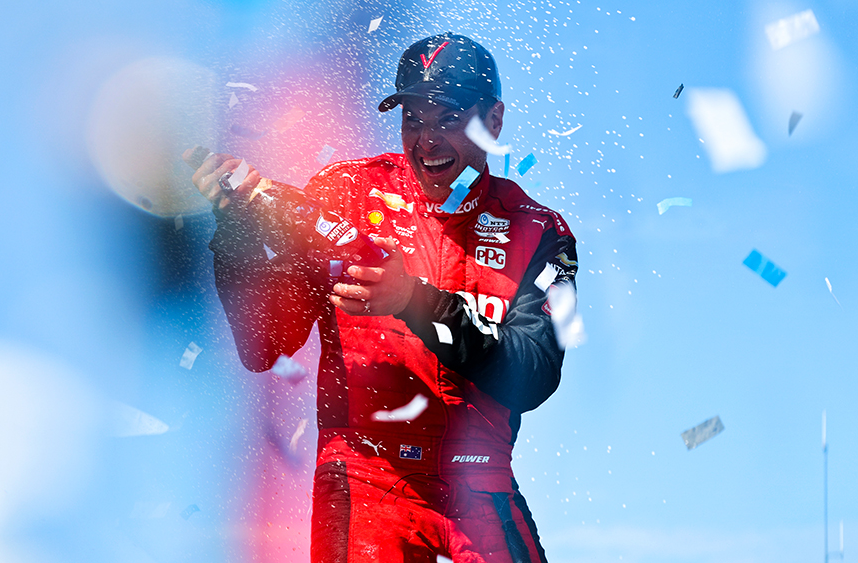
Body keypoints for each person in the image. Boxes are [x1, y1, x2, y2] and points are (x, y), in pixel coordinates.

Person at [187, 32, 578, 563]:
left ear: (494, 121)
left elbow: (533, 373)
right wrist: (233, 233)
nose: (427, 141)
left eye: (446, 119)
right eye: (412, 120)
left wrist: (411, 300)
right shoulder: (344, 192)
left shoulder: (541, 230)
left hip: (482, 483)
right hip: (366, 477)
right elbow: (265, 347)